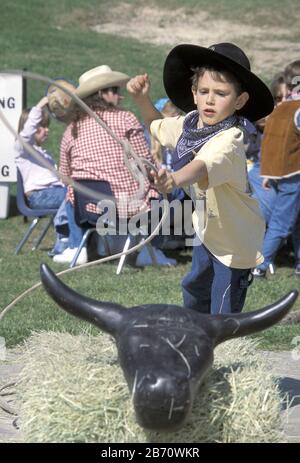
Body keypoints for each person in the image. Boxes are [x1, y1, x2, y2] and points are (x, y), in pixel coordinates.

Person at [127, 42, 274, 314]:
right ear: (193, 93)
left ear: (239, 101)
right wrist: (141, 99)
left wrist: (173, 179)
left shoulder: (231, 138)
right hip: (208, 231)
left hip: (235, 241)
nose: (210, 99)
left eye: (221, 93)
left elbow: (203, 165)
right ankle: (199, 340)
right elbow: (156, 127)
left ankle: (223, 347)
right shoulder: (191, 124)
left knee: (224, 304)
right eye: (204, 91)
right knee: (195, 288)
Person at [54, 65, 174, 266]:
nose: (120, 96)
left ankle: (76, 247)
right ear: (102, 93)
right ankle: (149, 248)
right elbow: (144, 162)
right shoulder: (126, 119)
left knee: (72, 190)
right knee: (158, 190)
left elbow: (64, 175)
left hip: (88, 206)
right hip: (129, 205)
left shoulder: (72, 127)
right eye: (115, 91)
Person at [252, 60, 300, 277]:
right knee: (282, 223)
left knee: (296, 220)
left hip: (280, 173)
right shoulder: (297, 111)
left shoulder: (278, 111)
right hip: (294, 174)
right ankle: (260, 265)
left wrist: (268, 173)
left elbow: (269, 144)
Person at [14, 96, 68, 253]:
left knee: (77, 194)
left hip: (53, 193)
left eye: (47, 126)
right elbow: (26, 134)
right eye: (42, 127)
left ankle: (79, 242)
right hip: (39, 196)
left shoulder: (44, 154)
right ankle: (65, 244)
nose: (47, 130)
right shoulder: (22, 149)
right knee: (74, 197)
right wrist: (40, 106)